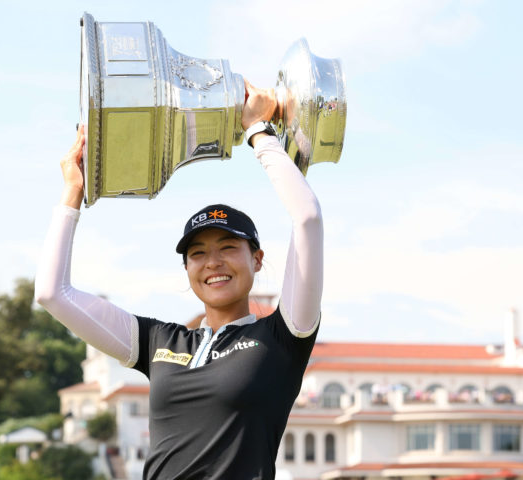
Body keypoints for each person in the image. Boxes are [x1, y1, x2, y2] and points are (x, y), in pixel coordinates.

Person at [35, 81, 323, 479]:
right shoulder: (159, 341)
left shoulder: (283, 337)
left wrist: (257, 130)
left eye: (227, 247)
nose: (212, 263)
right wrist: (72, 193)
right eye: (198, 253)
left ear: (257, 259)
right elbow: (53, 294)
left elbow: (306, 218)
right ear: (187, 269)